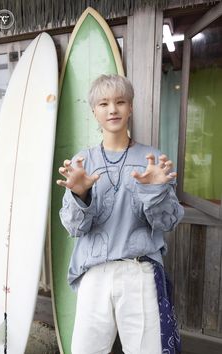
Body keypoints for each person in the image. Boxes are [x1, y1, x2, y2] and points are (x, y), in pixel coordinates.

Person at [57, 74, 184, 354]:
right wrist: (80, 195)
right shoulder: (82, 162)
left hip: (139, 271)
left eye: (120, 101)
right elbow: (74, 227)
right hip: (94, 272)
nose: (112, 109)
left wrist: (156, 192)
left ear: (131, 107)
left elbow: (169, 221)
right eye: (103, 103)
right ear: (94, 111)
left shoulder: (152, 159)